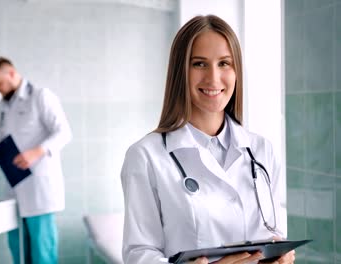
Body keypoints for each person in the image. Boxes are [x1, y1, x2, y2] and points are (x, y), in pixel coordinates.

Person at [120, 15, 295, 264]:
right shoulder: (146, 156)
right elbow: (139, 254)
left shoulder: (261, 150)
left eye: (224, 63)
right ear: (180, 72)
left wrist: (281, 255)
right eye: (199, 64)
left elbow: (274, 234)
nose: (213, 78)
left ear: (237, 71)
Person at [0, 57, 72, 264]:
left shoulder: (41, 96)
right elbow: (4, 138)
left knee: (42, 252)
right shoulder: (4, 106)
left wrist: (37, 151)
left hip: (38, 186)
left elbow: (64, 133)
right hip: (14, 186)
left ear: (12, 73)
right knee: (18, 250)